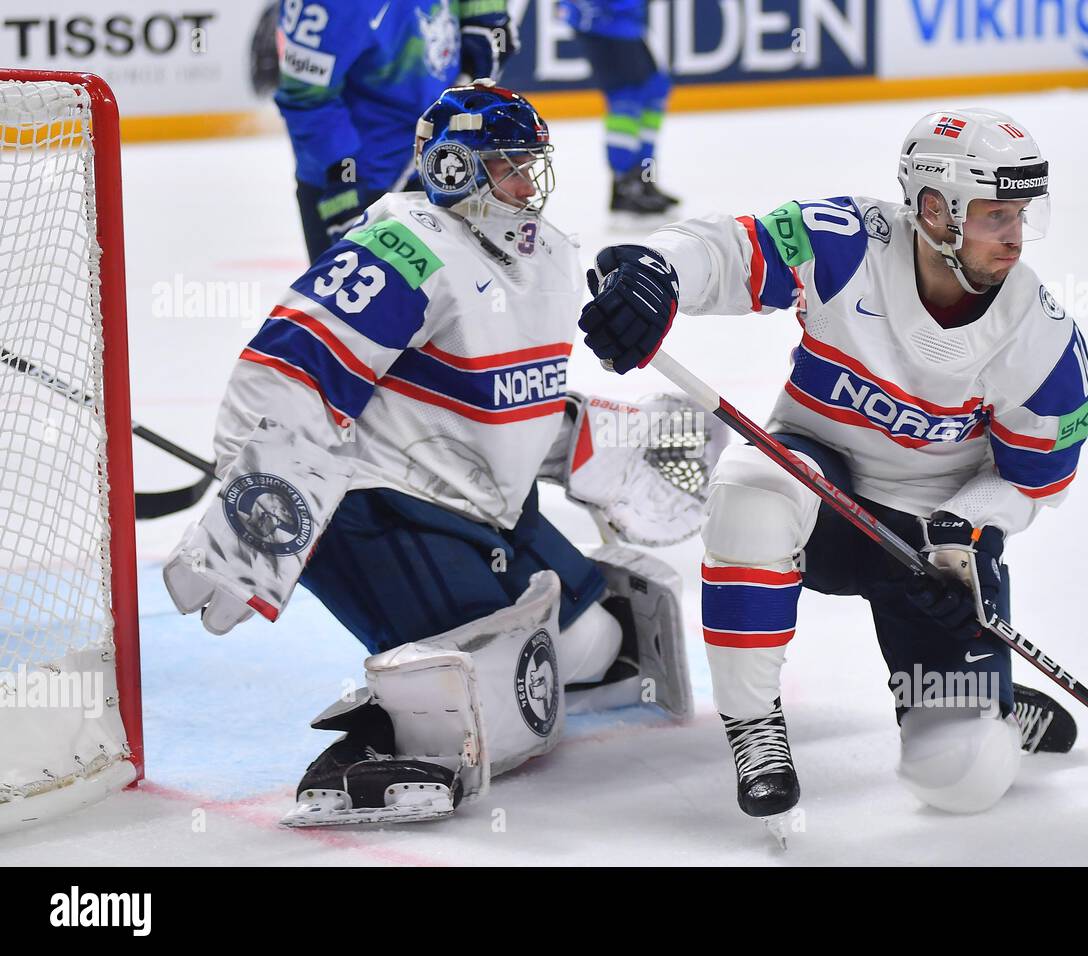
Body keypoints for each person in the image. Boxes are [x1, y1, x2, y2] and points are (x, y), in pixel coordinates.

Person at [163, 84, 722, 826]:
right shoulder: (403, 245)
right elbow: (284, 373)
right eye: (509, 167)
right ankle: (372, 739)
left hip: (486, 506)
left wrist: (606, 444)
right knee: (487, 696)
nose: (530, 184)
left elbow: (507, 402)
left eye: (533, 164)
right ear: (455, 170)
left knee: (593, 643)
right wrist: (257, 514)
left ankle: (427, 686)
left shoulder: (546, 254)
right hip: (373, 503)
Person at [576, 108, 1086, 828]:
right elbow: (728, 249)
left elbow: (1035, 484)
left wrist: (962, 535)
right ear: (935, 209)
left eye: (1021, 214)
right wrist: (657, 272)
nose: (1015, 237)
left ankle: (985, 706)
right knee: (750, 490)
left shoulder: (1044, 341)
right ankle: (755, 729)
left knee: (959, 778)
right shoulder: (848, 240)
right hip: (822, 491)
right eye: (996, 215)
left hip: (930, 552)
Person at [275, 0, 520, 261]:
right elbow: (306, 99)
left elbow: (486, 17)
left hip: (447, 154)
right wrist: (343, 182)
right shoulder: (326, 7)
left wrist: (484, 16)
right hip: (366, 179)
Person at [556, 0, 680, 219]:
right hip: (603, 23)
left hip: (625, 23)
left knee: (655, 90)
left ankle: (643, 178)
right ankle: (624, 186)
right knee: (626, 100)